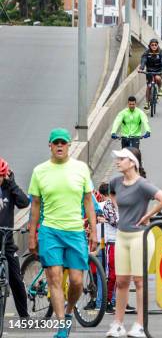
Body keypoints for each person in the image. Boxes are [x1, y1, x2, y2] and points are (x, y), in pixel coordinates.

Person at [28, 128, 98, 338]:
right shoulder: (40, 171)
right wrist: (32, 236)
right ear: (50, 145)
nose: (60, 146)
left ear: (69, 146)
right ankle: (61, 326)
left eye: (63, 143)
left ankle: (68, 313)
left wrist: (94, 231)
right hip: (50, 231)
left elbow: (88, 201)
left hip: (75, 231)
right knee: (55, 278)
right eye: (56, 143)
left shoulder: (80, 169)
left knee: (77, 281)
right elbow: (35, 206)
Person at [105, 147, 162, 338]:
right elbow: (113, 195)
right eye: (117, 159)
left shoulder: (143, 184)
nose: (117, 162)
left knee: (139, 281)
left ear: (132, 162)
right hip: (122, 235)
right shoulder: (115, 181)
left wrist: (147, 215)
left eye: (121, 159)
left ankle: (139, 325)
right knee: (122, 281)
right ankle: (117, 324)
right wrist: (121, 212)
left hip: (140, 237)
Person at [0, 158, 30, 321]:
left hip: (7, 242)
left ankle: (24, 316)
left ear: (5, 175)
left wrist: (12, 184)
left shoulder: (9, 188)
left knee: (16, 280)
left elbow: (24, 203)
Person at [98, 182, 120, 314]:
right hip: (112, 242)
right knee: (112, 275)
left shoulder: (124, 205)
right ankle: (107, 302)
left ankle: (118, 301)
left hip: (125, 242)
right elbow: (116, 222)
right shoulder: (107, 206)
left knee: (123, 275)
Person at [139, 38, 162, 110]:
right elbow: (143, 60)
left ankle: (160, 89)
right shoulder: (146, 52)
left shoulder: (161, 52)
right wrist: (141, 68)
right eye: (152, 45)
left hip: (158, 70)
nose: (154, 46)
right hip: (149, 71)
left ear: (157, 45)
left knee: (158, 78)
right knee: (149, 86)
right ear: (150, 46)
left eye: (155, 45)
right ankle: (147, 103)